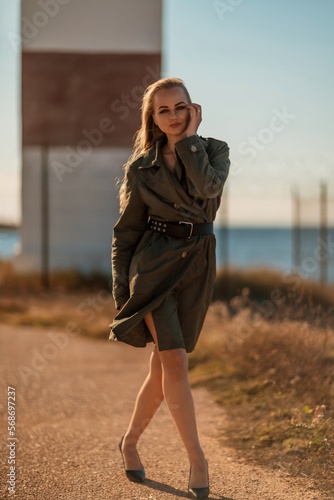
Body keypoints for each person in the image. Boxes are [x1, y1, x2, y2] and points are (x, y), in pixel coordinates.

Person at [109, 77, 230, 499]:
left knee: (163, 369)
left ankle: (129, 442)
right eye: (164, 110)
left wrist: (190, 142)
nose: (174, 116)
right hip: (154, 266)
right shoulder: (141, 167)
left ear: (193, 109)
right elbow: (125, 233)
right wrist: (123, 290)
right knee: (175, 362)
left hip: (197, 266)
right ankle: (197, 458)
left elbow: (208, 189)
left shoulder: (214, 150)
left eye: (181, 107)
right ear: (154, 118)